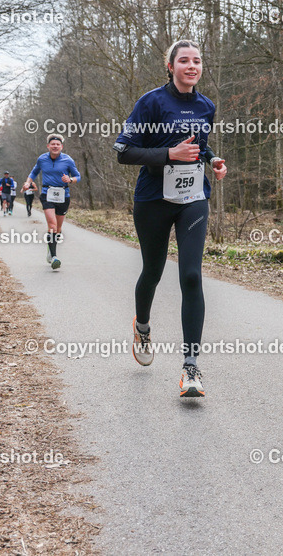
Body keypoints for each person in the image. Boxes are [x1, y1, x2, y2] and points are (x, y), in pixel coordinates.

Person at [114, 39, 227, 398]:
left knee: (191, 275)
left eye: (197, 60)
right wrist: (169, 154)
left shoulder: (206, 105)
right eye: (184, 61)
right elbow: (124, 151)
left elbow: (200, 144)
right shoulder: (151, 102)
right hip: (153, 200)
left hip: (193, 199)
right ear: (171, 66)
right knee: (153, 270)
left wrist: (212, 161)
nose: (192, 66)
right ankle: (143, 327)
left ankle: (191, 368)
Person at [22, 135, 81, 269]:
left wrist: (70, 180)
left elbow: (78, 176)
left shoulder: (68, 160)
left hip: (63, 195)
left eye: (57, 144)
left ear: (61, 147)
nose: (55, 146)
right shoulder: (42, 159)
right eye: (52, 144)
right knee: (52, 226)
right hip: (47, 194)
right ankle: (54, 257)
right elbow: (33, 173)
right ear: (48, 146)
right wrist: (27, 183)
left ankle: (50, 248)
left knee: (58, 229)